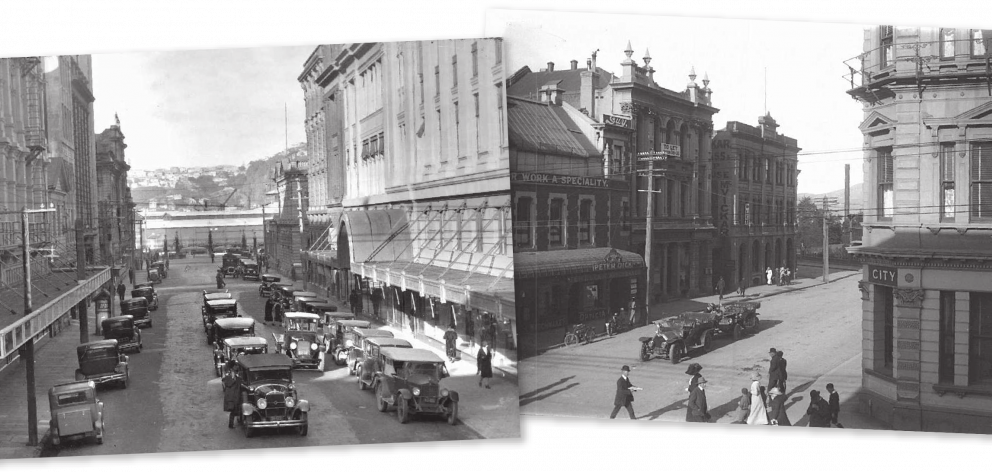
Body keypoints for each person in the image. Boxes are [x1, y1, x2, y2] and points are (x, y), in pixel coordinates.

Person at [223, 361, 240, 428]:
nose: (237, 366)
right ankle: (231, 424)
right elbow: (228, 383)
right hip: (232, 394)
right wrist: (233, 379)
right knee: (233, 409)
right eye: (236, 365)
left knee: (235, 409)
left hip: (235, 393)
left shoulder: (235, 373)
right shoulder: (230, 374)